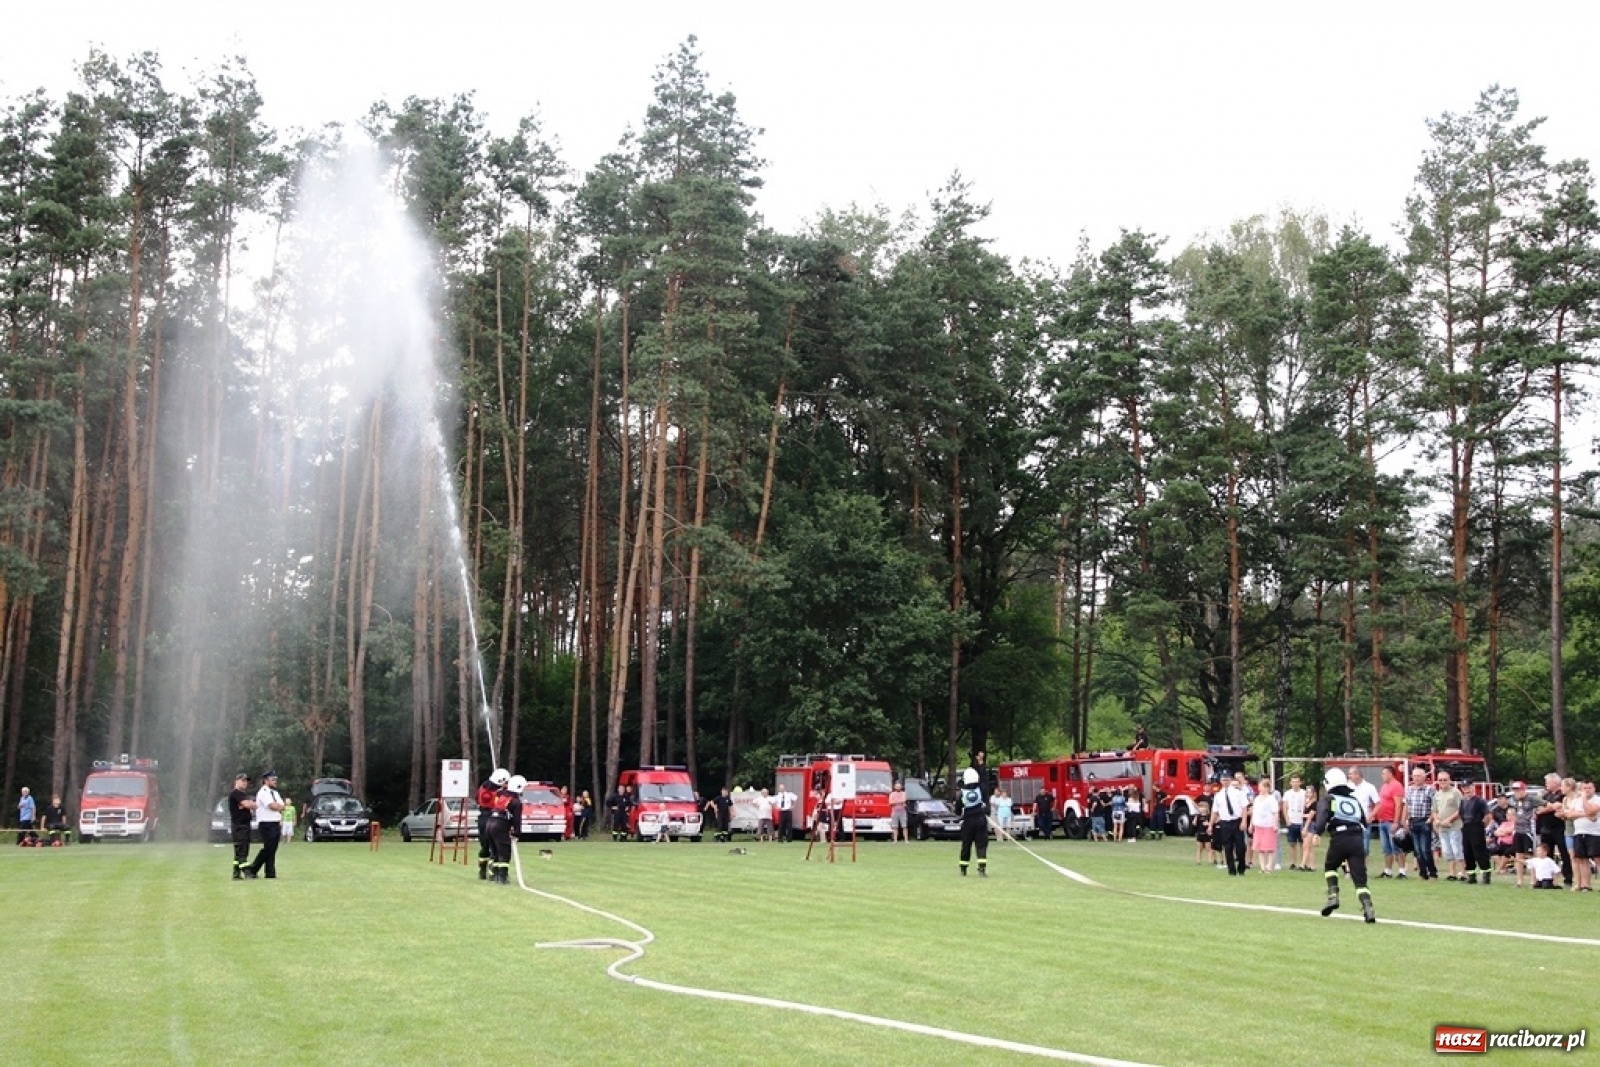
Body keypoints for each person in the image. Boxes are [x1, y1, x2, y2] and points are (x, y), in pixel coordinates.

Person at [1308, 768, 1376, 923]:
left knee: (1330, 867)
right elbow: (1364, 821)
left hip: (1339, 837)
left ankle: (1333, 896)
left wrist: (1317, 833)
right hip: (1357, 839)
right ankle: (1368, 908)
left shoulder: (1329, 799)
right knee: (1360, 879)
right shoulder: (1354, 800)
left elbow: (1322, 817)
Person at [244, 771, 286, 880]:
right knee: (268, 848)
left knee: (273, 849)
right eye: (273, 780)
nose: (275, 781)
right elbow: (272, 806)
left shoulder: (275, 793)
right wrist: (278, 806)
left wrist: (279, 806)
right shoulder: (263, 792)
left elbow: (283, 806)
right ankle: (252, 869)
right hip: (266, 822)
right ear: (266, 780)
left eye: (275, 779)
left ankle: (270, 872)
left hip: (275, 822)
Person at [1535, 773, 1574, 888]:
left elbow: (1559, 806)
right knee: (1547, 854)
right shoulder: (1546, 795)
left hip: (1559, 828)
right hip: (1545, 828)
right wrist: (1550, 807)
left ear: (1555, 783)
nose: (1546, 784)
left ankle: (1568, 878)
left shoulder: (1562, 795)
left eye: (1548, 782)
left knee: (1564, 853)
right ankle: (1547, 878)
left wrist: (1546, 808)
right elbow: (1539, 808)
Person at [483, 775, 523, 884]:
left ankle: (493, 875)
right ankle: (502, 878)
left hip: (489, 823)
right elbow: (516, 820)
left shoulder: (503, 797)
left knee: (495, 851)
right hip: (499, 826)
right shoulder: (516, 802)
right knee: (504, 852)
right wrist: (517, 833)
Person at [1209, 773, 1251, 875]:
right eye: (1223, 780)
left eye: (1227, 780)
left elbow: (1244, 807)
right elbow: (1214, 811)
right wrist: (1211, 825)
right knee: (1228, 847)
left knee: (1240, 847)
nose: (1225, 782)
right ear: (1221, 781)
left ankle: (1241, 868)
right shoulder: (1218, 795)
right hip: (1225, 823)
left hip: (1237, 821)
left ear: (1230, 780)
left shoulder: (1238, 793)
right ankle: (1231, 870)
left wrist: (1244, 821)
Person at [1403, 767, 1438, 881]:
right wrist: (1405, 820)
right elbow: (1407, 806)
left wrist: (1431, 819)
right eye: (1414, 776)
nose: (1416, 778)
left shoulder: (1430, 789)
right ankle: (1423, 873)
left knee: (1425, 849)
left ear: (1424, 777)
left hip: (1425, 821)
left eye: (1419, 776)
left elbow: (1435, 806)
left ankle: (1432, 873)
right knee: (1417, 850)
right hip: (1413, 821)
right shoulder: (1409, 790)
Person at [1374, 765, 1406, 877]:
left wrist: (1396, 822)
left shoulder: (1396, 786)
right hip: (1382, 820)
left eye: (1384, 773)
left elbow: (1398, 805)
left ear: (1390, 774)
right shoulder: (1384, 786)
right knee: (1386, 848)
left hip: (1391, 820)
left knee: (1396, 847)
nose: (1382, 776)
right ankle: (1388, 870)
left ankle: (1402, 871)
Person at [956, 767, 989, 877]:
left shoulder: (961, 793)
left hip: (968, 821)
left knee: (966, 844)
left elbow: (957, 810)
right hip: (980, 819)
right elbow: (985, 782)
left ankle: (963, 869)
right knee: (981, 844)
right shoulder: (981, 789)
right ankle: (982, 868)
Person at [1431, 772, 1464, 880]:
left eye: (1445, 780)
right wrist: (1436, 820)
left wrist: (1449, 819)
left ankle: (1463, 873)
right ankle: (1452, 874)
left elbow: (1461, 809)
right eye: (1440, 780)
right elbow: (1434, 810)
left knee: (1457, 849)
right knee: (1446, 851)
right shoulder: (1437, 794)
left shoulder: (1456, 792)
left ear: (1450, 780)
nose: (1443, 782)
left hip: (1454, 826)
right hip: (1442, 828)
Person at [478, 768, 510, 877]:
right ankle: (493, 872)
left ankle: (482, 870)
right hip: (492, 818)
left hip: (482, 818)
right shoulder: (495, 793)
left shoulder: (482, 786)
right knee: (494, 846)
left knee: (484, 846)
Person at [1507, 781, 1539, 887]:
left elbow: (1545, 804)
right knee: (1518, 855)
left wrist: (1537, 813)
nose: (1516, 792)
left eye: (1518, 790)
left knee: (1530, 856)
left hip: (1528, 830)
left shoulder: (1531, 799)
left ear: (1523, 790)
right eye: (1515, 790)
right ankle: (1519, 881)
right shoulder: (1514, 800)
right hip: (1518, 829)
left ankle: (1533, 880)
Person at [1567, 779, 1598, 893]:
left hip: (1595, 833)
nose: (1587, 790)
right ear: (1581, 789)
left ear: (1594, 789)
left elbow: (1591, 810)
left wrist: (1584, 799)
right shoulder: (1576, 801)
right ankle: (1586, 885)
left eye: (1589, 788)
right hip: (1579, 832)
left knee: (1597, 858)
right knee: (1582, 859)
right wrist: (1586, 814)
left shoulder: (1597, 800)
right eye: (1585, 788)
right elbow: (1569, 814)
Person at [1459, 785, 1492, 884]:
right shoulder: (1463, 801)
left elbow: (1488, 815)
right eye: (1464, 788)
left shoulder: (1480, 801)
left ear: (1473, 788)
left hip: (1477, 826)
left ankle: (1486, 874)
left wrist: (1481, 826)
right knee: (1467, 852)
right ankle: (1471, 875)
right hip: (1466, 827)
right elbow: (1461, 814)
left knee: (1479, 851)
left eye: (1468, 788)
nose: (1466, 790)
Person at [228, 773, 256, 879]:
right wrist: (249, 804)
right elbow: (249, 805)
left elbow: (253, 805)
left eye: (246, 781)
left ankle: (236, 873)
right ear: (237, 781)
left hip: (244, 824)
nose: (245, 783)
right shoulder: (236, 793)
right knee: (242, 849)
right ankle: (246, 871)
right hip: (239, 825)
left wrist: (249, 804)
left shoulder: (243, 794)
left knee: (239, 849)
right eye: (243, 781)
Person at [1250, 777, 1280, 873]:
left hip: (1269, 825)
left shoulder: (1271, 799)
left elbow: (1275, 812)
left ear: (1267, 788)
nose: (1260, 789)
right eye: (1259, 787)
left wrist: (1275, 824)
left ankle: (1269, 866)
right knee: (1260, 848)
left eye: (1262, 787)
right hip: (1258, 825)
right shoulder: (1257, 799)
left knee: (1270, 848)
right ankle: (1262, 867)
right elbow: (1254, 812)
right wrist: (1251, 824)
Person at [1348, 768, 1380, 854]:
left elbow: (1378, 804)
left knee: (1364, 848)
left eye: (1351, 774)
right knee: (1350, 847)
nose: (1349, 776)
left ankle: (1363, 866)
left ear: (1357, 775)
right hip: (1351, 821)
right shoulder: (1348, 786)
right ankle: (1351, 867)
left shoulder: (1369, 787)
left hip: (1364, 821)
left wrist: (1371, 815)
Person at [1282, 775, 1308, 869]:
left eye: (1297, 781)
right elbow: (1284, 807)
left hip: (1301, 822)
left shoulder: (1304, 793)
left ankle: (1303, 863)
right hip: (1292, 821)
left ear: (1300, 783)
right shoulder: (1287, 794)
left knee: (1302, 844)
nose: (1295, 784)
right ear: (1290, 783)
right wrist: (1287, 819)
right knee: (1292, 843)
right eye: (1293, 782)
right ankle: (1292, 863)